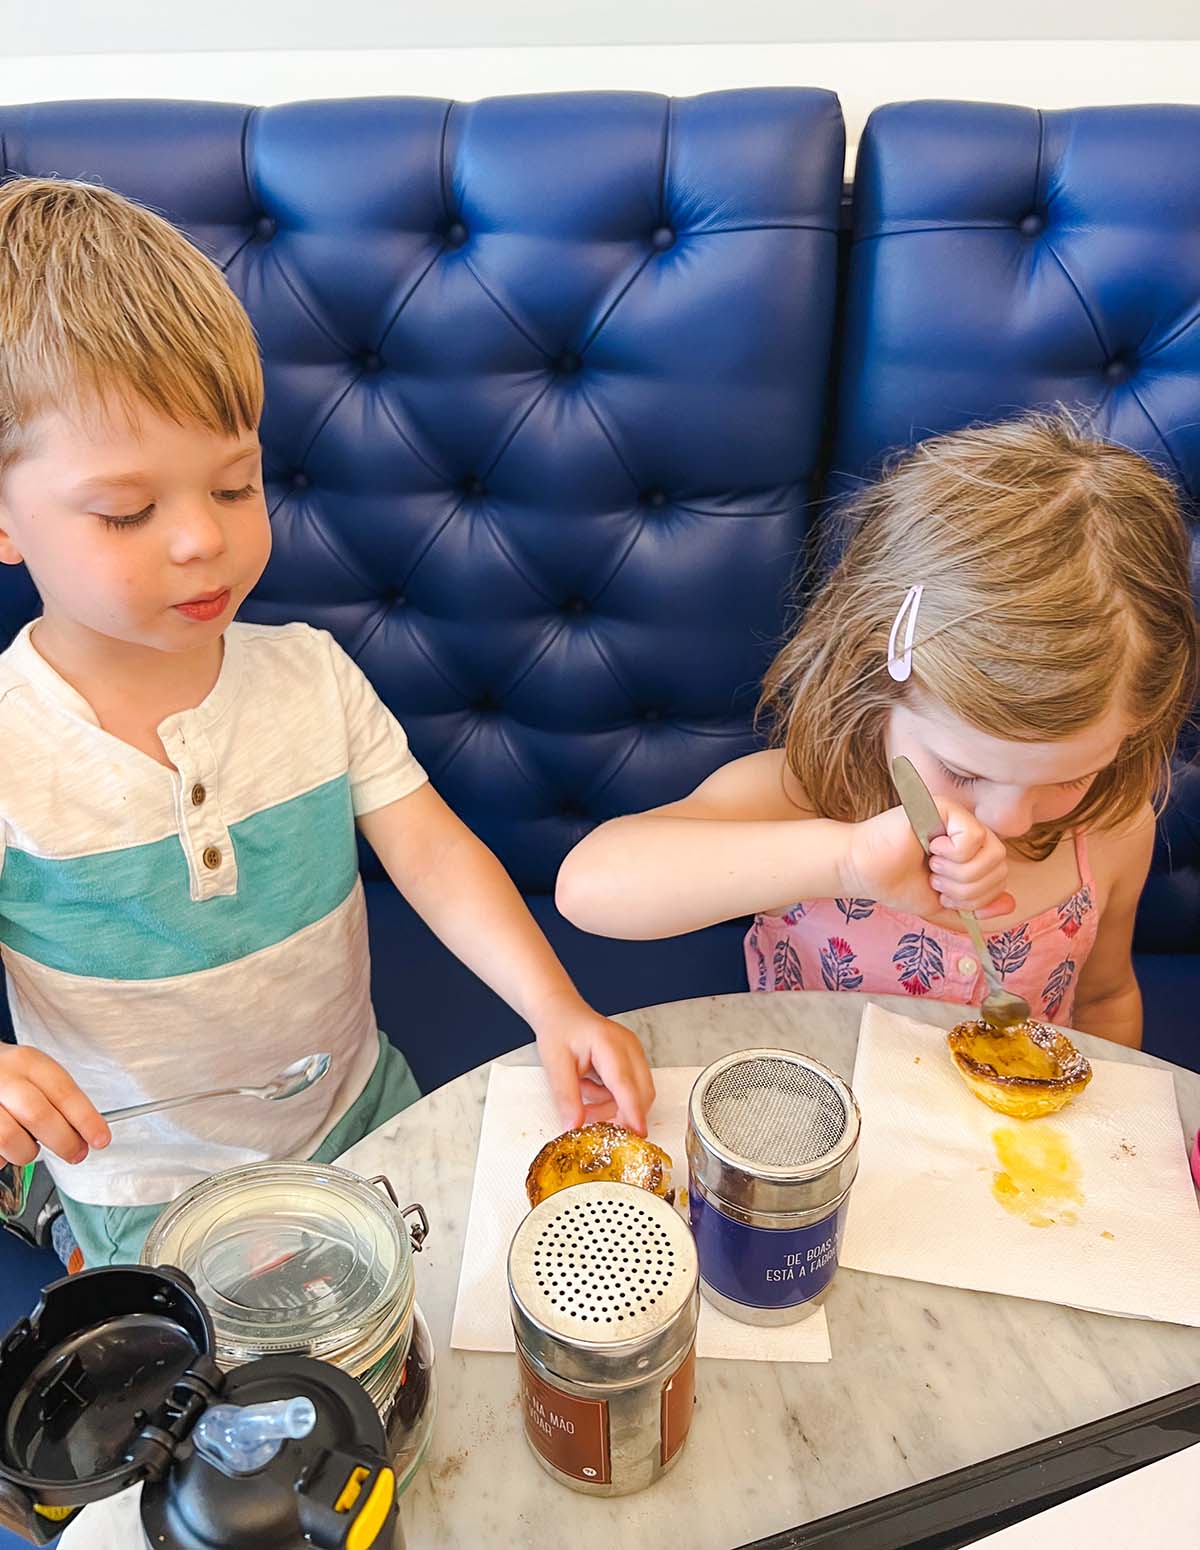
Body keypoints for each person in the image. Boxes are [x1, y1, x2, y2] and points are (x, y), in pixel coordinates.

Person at [0, 177, 653, 1267]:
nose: (202, 542)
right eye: (127, 511)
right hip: (140, 1184)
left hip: (362, 1116)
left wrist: (556, 1003)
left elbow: (434, 852)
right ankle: (45, 1205)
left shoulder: (310, 673)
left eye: (234, 485)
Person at [557, 413, 1198, 1048]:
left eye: (1070, 777)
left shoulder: (1112, 829)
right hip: (809, 1122)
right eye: (964, 772)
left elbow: (1107, 997)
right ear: (875, 681)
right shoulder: (798, 798)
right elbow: (589, 887)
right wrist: (846, 862)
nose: (1009, 820)